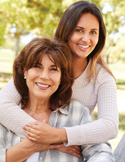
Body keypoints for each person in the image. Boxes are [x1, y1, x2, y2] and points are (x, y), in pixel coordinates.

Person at [0, 1, 118, 147]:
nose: (86, 39)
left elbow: (110, 126)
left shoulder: (102, 77)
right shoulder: (43, 59)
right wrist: (49, 141)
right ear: (66, 30)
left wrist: (59, 135)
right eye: (79, 30)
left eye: (93, 32)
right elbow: (2, 105)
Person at [0, 37, 115, 162]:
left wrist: (59, 136)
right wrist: (31, 146)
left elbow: (103, 153)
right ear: (24, 71)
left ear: (61, 77)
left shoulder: (76, 113)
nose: (44, 76)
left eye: (53, 69)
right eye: (37, 66)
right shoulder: (5, 117)